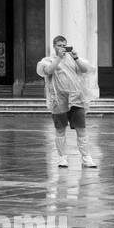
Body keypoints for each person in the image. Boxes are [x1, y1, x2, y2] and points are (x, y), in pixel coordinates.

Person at [37, 35, 98, 168]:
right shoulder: (48, 60)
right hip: (58, 100)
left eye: (64, 45)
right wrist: (59, 57)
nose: (62, 48)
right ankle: (62, 158)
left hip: (76, 98)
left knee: (81, 129)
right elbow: (47, 71)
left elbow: (86, 70)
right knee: (60, 129)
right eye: (59, 45)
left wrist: (75, 57)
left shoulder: (73, 59)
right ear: (54, 47)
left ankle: (86, 158)